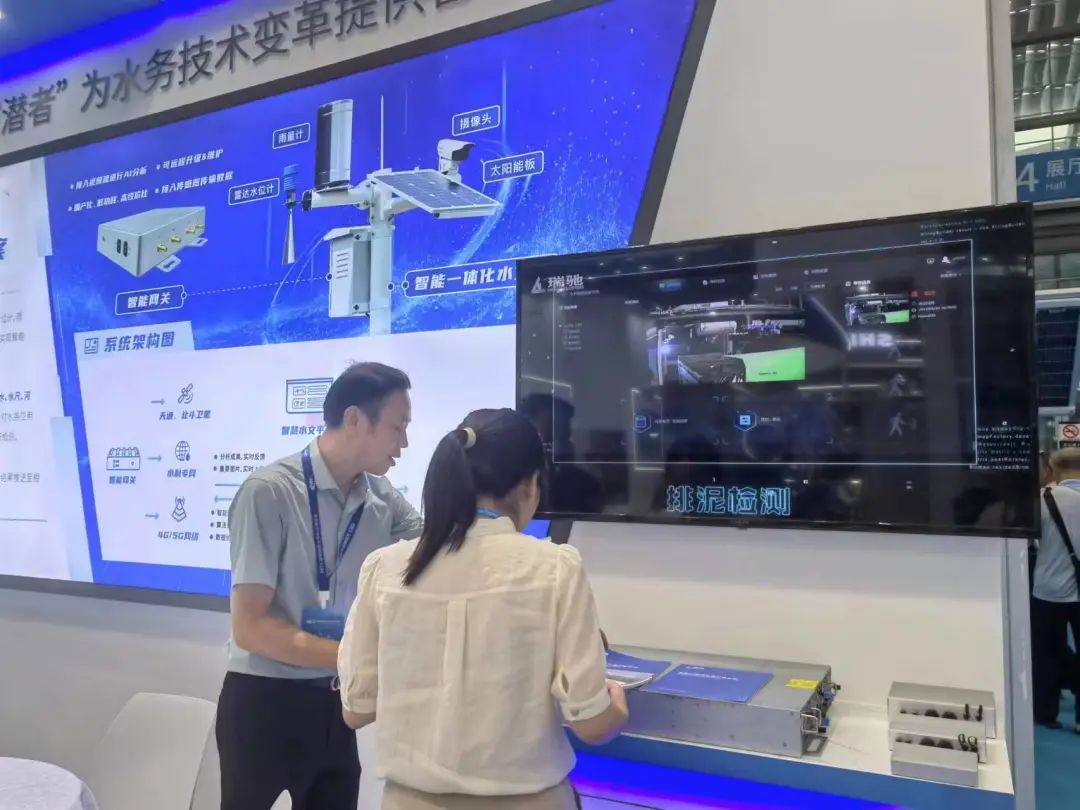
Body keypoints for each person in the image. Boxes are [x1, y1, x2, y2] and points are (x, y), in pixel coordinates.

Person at [337, 408, 629, 809]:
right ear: (530, 485)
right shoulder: (555, 567)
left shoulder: (385, 567)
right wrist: (616, 706)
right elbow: (591, 724)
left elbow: (356, 710)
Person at [217, 362, 423, 810]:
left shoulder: (382, 497)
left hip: (334, 701)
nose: (403, 444)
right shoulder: (268, 492)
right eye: (397, 428)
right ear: (354, 419)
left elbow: (436, 550)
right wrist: (357, 656)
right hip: (264, 702)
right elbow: (250, 628)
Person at [1032, 448, 1080, 733]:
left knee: (1047, 652)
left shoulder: (1042, 500)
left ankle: (1046, 712)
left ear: (1053, 469)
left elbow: (1030, 541)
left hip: (1048, 590)